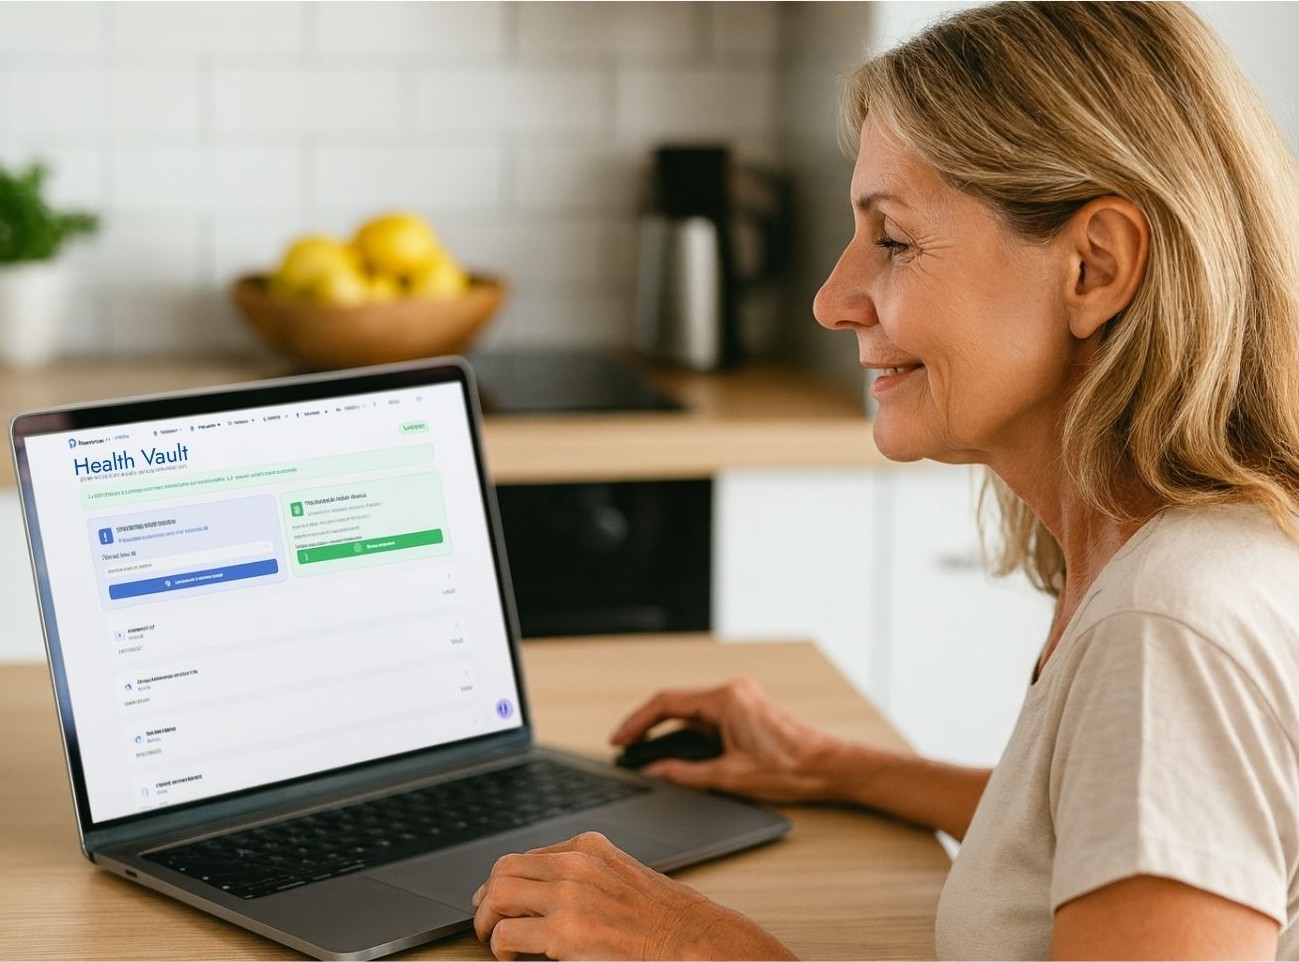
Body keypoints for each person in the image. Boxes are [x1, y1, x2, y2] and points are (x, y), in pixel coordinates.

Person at [472, 2, 1299, 958]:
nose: (831, 299)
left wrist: (704, 948)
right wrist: (835, 767)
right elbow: (1096, 824)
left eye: (893, 240)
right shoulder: (1172, 554)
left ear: (1094, 267)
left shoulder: (1169, 628)